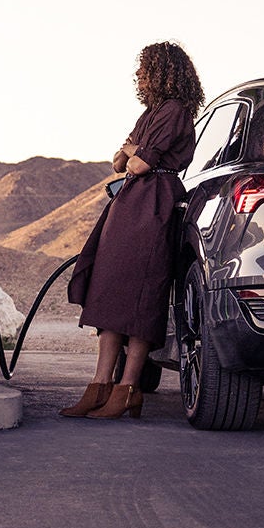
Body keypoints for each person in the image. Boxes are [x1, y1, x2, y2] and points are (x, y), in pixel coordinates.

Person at [62, 42, 203, 419]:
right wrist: (132, 153)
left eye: (144, 69)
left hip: (154, 203)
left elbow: (137, 164)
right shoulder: (151, 112)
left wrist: (133, 151)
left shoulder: (175, 112)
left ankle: (128, 389)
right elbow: (117, 163)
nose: (138, 77)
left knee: (142, 293)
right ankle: (99, 386)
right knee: (110, 290)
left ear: (162, 71)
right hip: (130, 204)